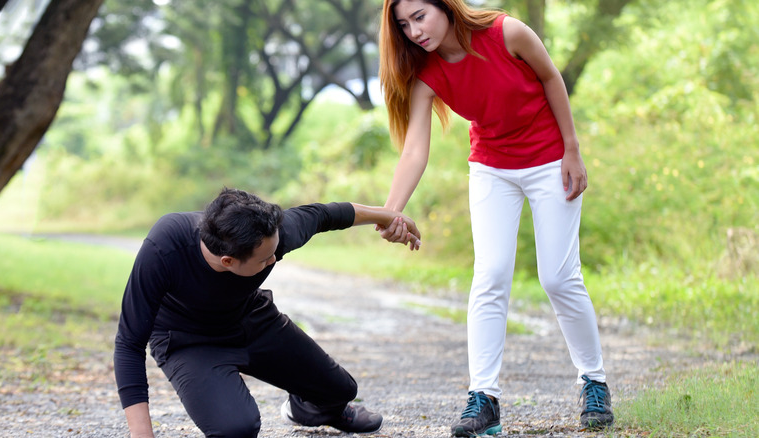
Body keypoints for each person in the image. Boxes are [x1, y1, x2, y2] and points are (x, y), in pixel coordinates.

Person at [376, 0, 613, 436]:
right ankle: (483, 399)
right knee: (490, 275)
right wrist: (392, 211)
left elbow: (551, 78)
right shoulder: (426, 74)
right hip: (491, 167)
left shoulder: (508, 32)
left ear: (445, 7)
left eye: (420, 16)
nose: (414, 31)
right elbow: (414, 150)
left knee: (558, 278)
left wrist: (572, 150)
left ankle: (593, 381)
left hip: (549, 161)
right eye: (404, 24)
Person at [114, 188, 422, 438]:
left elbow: (328, 214)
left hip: (251, 319)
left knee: (342, 390)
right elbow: (128, 344)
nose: (275, 258)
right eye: (265, 260)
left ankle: (308, 410)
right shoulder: (164, 248)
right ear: (228, 262)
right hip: (189, 342)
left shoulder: (269, 233)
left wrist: (389, 216)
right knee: (237, 428)